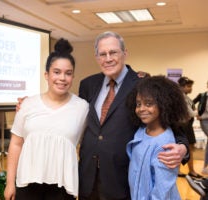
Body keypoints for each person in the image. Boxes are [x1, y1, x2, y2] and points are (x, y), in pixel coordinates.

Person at [78, 31, 189, 200]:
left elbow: (170, 121)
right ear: (97, 57)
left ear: (125, 53)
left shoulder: (142, 84)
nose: (108, 59)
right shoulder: (88, 84)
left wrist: (183, 147)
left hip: (123, 180)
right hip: (88, 177)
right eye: (103, 54)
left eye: (113, 52)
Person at [4, 38, 89, 200]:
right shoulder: (27, 104)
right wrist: (9, 183)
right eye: (56, 72)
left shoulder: (82, 108)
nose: (62, 78)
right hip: (27, 185)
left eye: (68, 73)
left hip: (62, 188)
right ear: (46, 75)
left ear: (73, 76)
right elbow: (16, 144)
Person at [126, 75, 189, 199]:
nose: (141, 109)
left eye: (148, 103)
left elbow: (161, 192)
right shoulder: (141, 131)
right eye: (138, 104)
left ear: (164, 104)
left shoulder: (165, 145)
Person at [177, 76, 202, 178]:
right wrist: (199, 111)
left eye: (191, 86)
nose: (190, 88)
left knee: (189, 148)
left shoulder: (186, 97)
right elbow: (191, 113)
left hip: (187, 125)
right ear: (182, 86)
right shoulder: (181, 97)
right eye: (188, 86)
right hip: (183, 126)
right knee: (186, 148)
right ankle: (188, 171)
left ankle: (190, 170)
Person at [193, 80, 208, 175]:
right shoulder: (203, 95)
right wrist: (196, 113)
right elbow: (191, 103)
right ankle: (205, 166)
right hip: (205, 120)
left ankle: (205, 166)